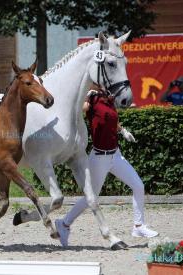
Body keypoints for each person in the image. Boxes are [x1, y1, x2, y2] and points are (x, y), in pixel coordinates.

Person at [55, 87, 158, 247]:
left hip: (116, 155)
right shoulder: (91, 98)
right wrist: (85, 97)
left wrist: (123, 131)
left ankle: (138, 226)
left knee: (138, 186)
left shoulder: (109, 98)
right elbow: (79, 109)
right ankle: (64, 223)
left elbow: (112, 119)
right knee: (91, 197)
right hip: (99, 158)